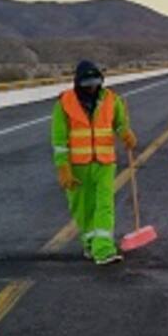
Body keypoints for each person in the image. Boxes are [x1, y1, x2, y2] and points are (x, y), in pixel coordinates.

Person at [52, 60, 137, 265]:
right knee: (83, 208)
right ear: (78, 82)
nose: (92, 87)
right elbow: (59, 140)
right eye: (87, 83)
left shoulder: (111, 99)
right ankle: (90, 245)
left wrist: (125, 133)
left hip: (104, 162)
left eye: (95, 81)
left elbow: (118, 123)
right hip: (77, 166)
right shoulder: (64, 103)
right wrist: (63, 167)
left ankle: (103, 249)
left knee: (104, 205)